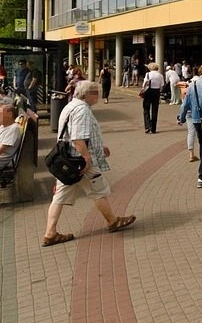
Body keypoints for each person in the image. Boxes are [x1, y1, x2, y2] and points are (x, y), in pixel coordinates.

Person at [42, 80, 136, 246]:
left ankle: (50, 233)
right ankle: (112, 221)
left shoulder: (71, 106)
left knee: (59, 197)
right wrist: (86, 158)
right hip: (80, 161)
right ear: (86, 95)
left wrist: (99, 146)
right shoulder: (82, 110)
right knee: (98, 191)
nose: (97, 96)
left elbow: (74, 134)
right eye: (95, 93)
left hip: (68, 161)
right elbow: (78, 138)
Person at [141, 62, 165, 134]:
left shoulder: (148, 74)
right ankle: (153, 128)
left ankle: (147, 126)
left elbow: (144, 84)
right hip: (156, 92)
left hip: (148, 92)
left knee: (146, 109)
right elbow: (162, 85)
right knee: (155, 110)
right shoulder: (160, 75)